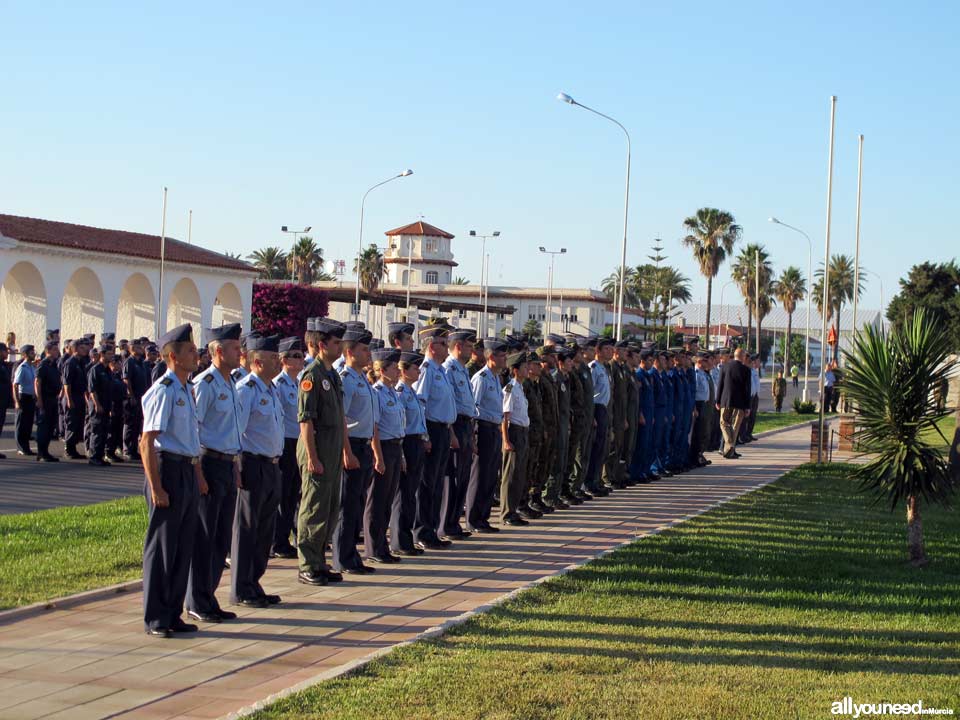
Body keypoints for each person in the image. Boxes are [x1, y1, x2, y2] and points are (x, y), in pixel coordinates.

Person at [139, 323, 202, 638]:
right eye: (190, 351)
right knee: (162, 547)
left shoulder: (185, 389)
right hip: (168, 471)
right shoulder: (163, 390)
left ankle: (173, 612)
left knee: (182, 546)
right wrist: (156, 486)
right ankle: (156, 617)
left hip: (187, 469)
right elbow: (146, 442)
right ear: (173, 357)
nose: (196, 354)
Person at [186, 323, 243, 624]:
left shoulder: (230, 382)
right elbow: (193, 430)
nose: (240, 352)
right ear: (218, 351)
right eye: (235, 347)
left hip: (226, 464)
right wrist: (198, 474)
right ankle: (196, 599)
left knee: (221, 538)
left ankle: (209, 596)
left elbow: (229, 430)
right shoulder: (205, 384)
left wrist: (234, 466)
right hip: (208, 463)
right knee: (205, 536)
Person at [231, 334, 285, 608]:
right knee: (248, 527)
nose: (279, 361)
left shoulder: (271, 388)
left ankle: (254, 581)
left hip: (272, 465)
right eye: (273, 358)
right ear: (256, 361)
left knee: (265, 529)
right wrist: (238, 467)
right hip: (253, 464)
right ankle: (241, 587)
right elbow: (236, 432)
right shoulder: (245, 390)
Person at [296, 318, 347, 587]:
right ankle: (307, 563)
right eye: (335, 343)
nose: (340, 347)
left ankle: (319, 561)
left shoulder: (332, 375)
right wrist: (312, 457)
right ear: (320, 345)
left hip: (332, 450)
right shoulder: (312, 376)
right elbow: (306, 421)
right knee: (313, 508)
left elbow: (339, 417)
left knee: (329, 508)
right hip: (316, 451)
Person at [334, 327, 382, 573]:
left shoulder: (362, 377)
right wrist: (345, 452)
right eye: (364, 349)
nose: (368, 354)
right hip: (351, 445)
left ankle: (352, 554)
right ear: (350, 352)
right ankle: (342, 557)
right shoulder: (346, 378)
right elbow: (341, 418)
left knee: (358, 502)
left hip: (363, 446)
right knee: (347, 504)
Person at [412, 326, 458, 550]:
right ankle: (422, 531)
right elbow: (420, 404)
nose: (447, 346)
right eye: (443, 342)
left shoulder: (440, 370)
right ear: (431, 346)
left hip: (442, 430)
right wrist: (425, 435)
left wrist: (449, 432)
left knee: (437, 483)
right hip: (430, 429)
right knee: (427, 484)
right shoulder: (426, 370)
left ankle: (432, 529)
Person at [367, 348, 404, 563]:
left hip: (395, 448)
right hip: (383, 448)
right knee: (377, 500)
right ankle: (374, 548)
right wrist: (378, 457)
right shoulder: (377, 393)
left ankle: (383, 546)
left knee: (388, 499)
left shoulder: (393, 392)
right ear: (382, 370)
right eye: (393, 367)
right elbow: (375, 428)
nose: (398, 371)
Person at [442, 329, 479, 540]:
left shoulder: (462, 370)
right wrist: (452, 433)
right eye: (469, 346)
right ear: (458, 346)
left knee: (463, 477)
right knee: (453, 479)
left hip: (466, 425)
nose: (472, 350)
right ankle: (445, 524)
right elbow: (449, 404)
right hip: (455, 425)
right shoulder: (448, 369)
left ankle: (454, 523)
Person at [467, 337, 506, 531]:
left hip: (494, 428)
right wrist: (473, 437)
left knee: (491, 475)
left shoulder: (496, 378)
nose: (505, 359)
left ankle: (484, 517)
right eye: (501, 355)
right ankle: (474, 519)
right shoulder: (481, 378)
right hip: (483, 428)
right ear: (491, 357)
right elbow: (473, 407)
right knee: (480, 475)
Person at [271, 337, 305, 559]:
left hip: (298, 443)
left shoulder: (299, 383)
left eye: (301, 355)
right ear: (283, 359)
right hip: (285, 443)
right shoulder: (279, 385)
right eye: (296, 355)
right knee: (282, 494)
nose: (301, 359)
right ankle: (278, 541)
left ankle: (286, 538)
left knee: (293, 493)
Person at [392, 350, 428, 555]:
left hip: (416, 443)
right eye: (415, 368)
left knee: (410, 494)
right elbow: (400, 424)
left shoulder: (410, 391)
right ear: (404, 371)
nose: (419, 372)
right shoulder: (399, 392)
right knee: (403, 494)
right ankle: (399, 541)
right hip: (405, 444)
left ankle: (406, 539)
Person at [500, 352, 530, 526]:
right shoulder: (510, 388)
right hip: (514, 433)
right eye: (524, 367)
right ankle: (506, 513)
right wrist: (506, 439)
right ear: (515, 370)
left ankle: (513, 510)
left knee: (519, 474)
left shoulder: (520, 387)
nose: (528, 370)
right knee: (510, 475)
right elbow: (505, 416)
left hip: (523, 431)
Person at [716, 347, 752, 459]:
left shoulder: (725, 367)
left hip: (725, 401)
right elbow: (747, 390)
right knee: (734, 427)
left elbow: (720, 385)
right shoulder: (746, 370)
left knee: (724, 423)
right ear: (743, 357)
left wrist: (718, 400)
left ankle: (729, 450)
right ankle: (730, 445)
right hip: (739, 403)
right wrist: (747, 406)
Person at [86, 345, 115, 466]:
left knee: (104, 431)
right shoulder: (95, 369)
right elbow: (92, 390)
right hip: (98, 404)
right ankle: (94, 456)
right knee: (97, 430)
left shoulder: (107, 370)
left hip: (106, 403)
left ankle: (100, 455)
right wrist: (97, 404)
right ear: (102, 355)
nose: (111, 356)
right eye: (108, 354)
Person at [34, 341, 62, 462]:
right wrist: (39, 400)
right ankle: (41, 453)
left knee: (50, 426)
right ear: (48, 351)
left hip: (53, 398)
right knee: (44, 426)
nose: (57, 352)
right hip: (45, 398)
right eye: (55, 349)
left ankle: (45, 451)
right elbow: (37, 383)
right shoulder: (43, 365)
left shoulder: (53, 365)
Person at [62, 338, 90, 458]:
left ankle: (73, 449)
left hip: (79, 396)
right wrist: (69, 399)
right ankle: (69, 450)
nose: (85, 350)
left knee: (78, 423)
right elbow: (67, 384)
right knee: (71, 423)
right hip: (72, 396)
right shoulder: (70, 363)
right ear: (75, 349)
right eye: (81, 348)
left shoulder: (81, 362)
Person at [122, 339, 150, 460]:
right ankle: (127, 449)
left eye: (140, 346)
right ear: (131, 348)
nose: (140, 348)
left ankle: (133, 449)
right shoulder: (129, 362)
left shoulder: (142, 363)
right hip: (133, 398)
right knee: (130, 424)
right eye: (137, 346)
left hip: (141, 398)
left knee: (137, 424)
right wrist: (131, 395)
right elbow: (126, 380)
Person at [13, 344, 37, 456]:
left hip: (31, 398)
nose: (34, 354)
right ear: (25, 355)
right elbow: (15, 385)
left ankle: (26, 447)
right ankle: (21, 447)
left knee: (28, 423)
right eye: (31, 352)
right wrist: (17, 401)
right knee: (21, 423)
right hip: (23, 397)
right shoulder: (22, 368)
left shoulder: (32, 367)